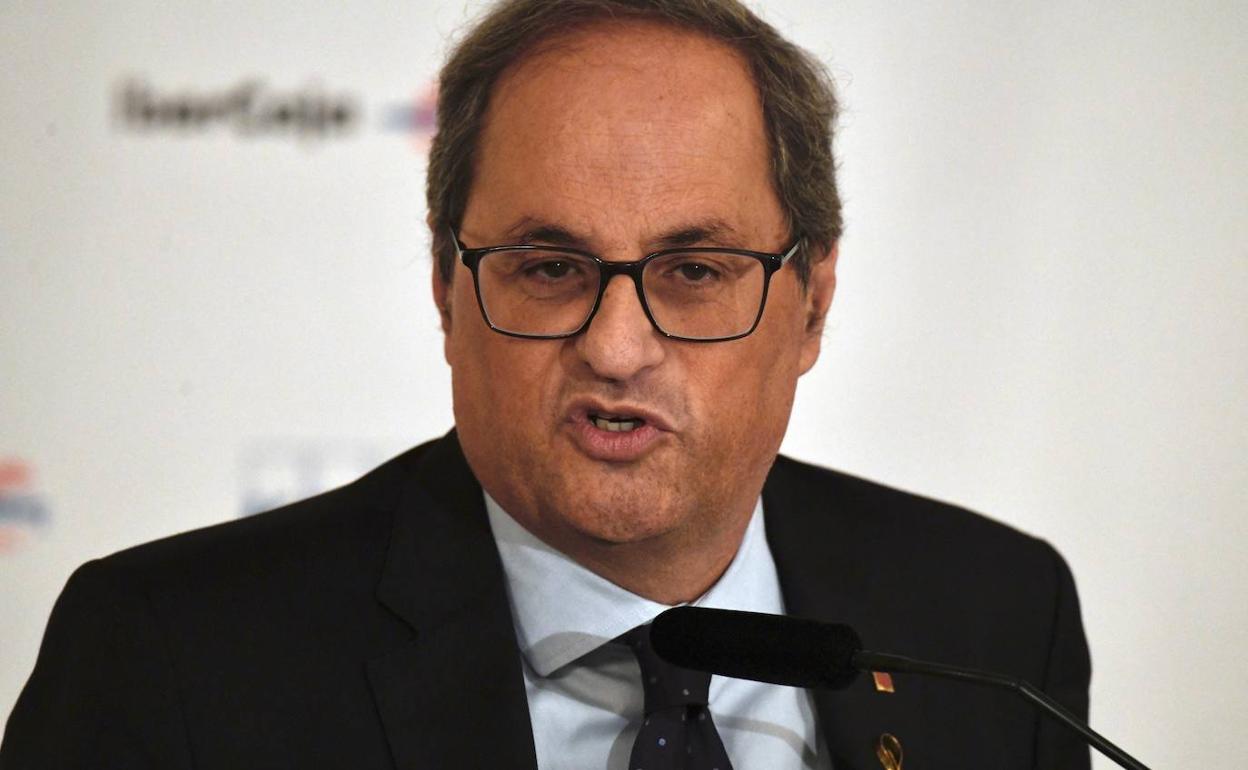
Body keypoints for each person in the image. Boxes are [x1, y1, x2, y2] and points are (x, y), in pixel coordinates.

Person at [0, 1, 1091, 768]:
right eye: (550, 268)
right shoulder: (171, 660)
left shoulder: (996, 622)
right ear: (446, 287)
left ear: (811, 303)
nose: (616, 348)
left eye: (695, 271)